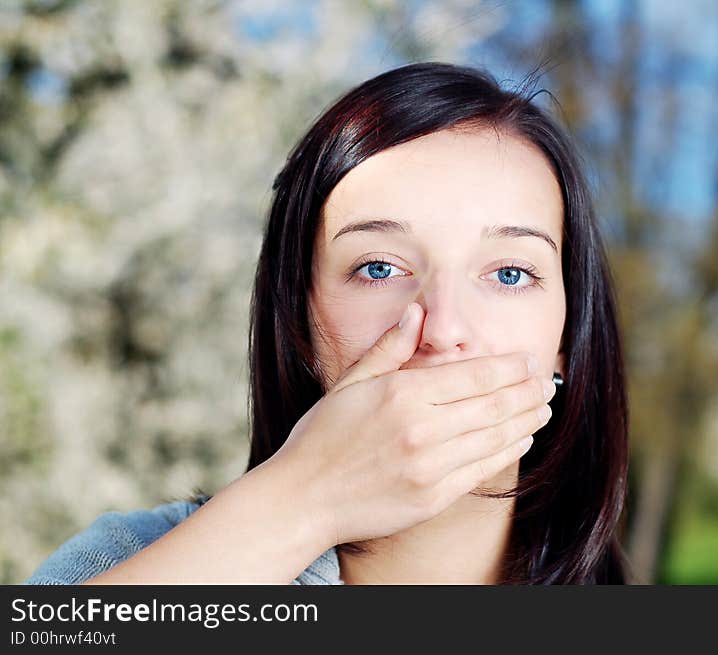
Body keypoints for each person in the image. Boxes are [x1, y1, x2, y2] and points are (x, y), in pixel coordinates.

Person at [26, 61, 630, 585]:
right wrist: (305, 502)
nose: (443, 330)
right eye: (378, 268)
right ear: (299, 321)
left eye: (508, 275)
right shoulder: (131, 561)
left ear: (566, 341)